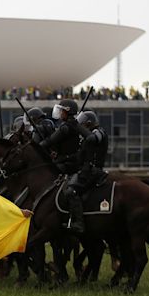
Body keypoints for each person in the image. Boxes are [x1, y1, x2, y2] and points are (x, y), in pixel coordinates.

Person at [40, 99, 83, 233]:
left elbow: (50, 140)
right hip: (67, 161)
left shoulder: (65, 127)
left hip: (69, 164)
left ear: (67, 112)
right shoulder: (73, 124)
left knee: (51, 182)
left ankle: (76, 221)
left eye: (62, 110)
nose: (60, 113)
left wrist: (36, 147)